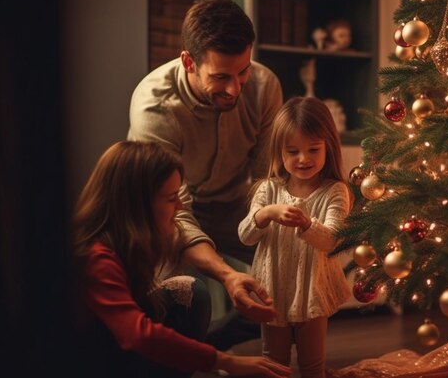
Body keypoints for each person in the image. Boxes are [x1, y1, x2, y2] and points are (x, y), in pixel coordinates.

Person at [128, 0, 284, 349]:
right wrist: (229, 276)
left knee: (294, 272)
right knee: (186, 299)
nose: (235, 88)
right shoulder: (154, 107)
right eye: (220, 77)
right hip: (164, 215)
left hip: (233, 206)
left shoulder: (265, 86)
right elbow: (175, 209)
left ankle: (214, 347)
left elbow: (267, 180)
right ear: (188, 62)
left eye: (243, 71)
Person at [72, 141, 291, 378]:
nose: (178, 207)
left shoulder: (130, 243)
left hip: (116, 350)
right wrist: (226, 361)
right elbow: (138, 334)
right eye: (170, 198)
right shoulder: (98, 259)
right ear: (138, 205)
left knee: (191, 292)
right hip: (95, 363)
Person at [238, 97, 352, 378]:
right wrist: (265, 214)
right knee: (274, 361)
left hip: (311, 290)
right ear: (280, 153)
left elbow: (332, 241)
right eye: (293, 151)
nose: (304, 159)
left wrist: (307, 225)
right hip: (273, 289)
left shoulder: (335, 191)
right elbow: (245, 236)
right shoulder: (268, 190)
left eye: (313, 149)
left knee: (312, 364)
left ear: (328, 147)